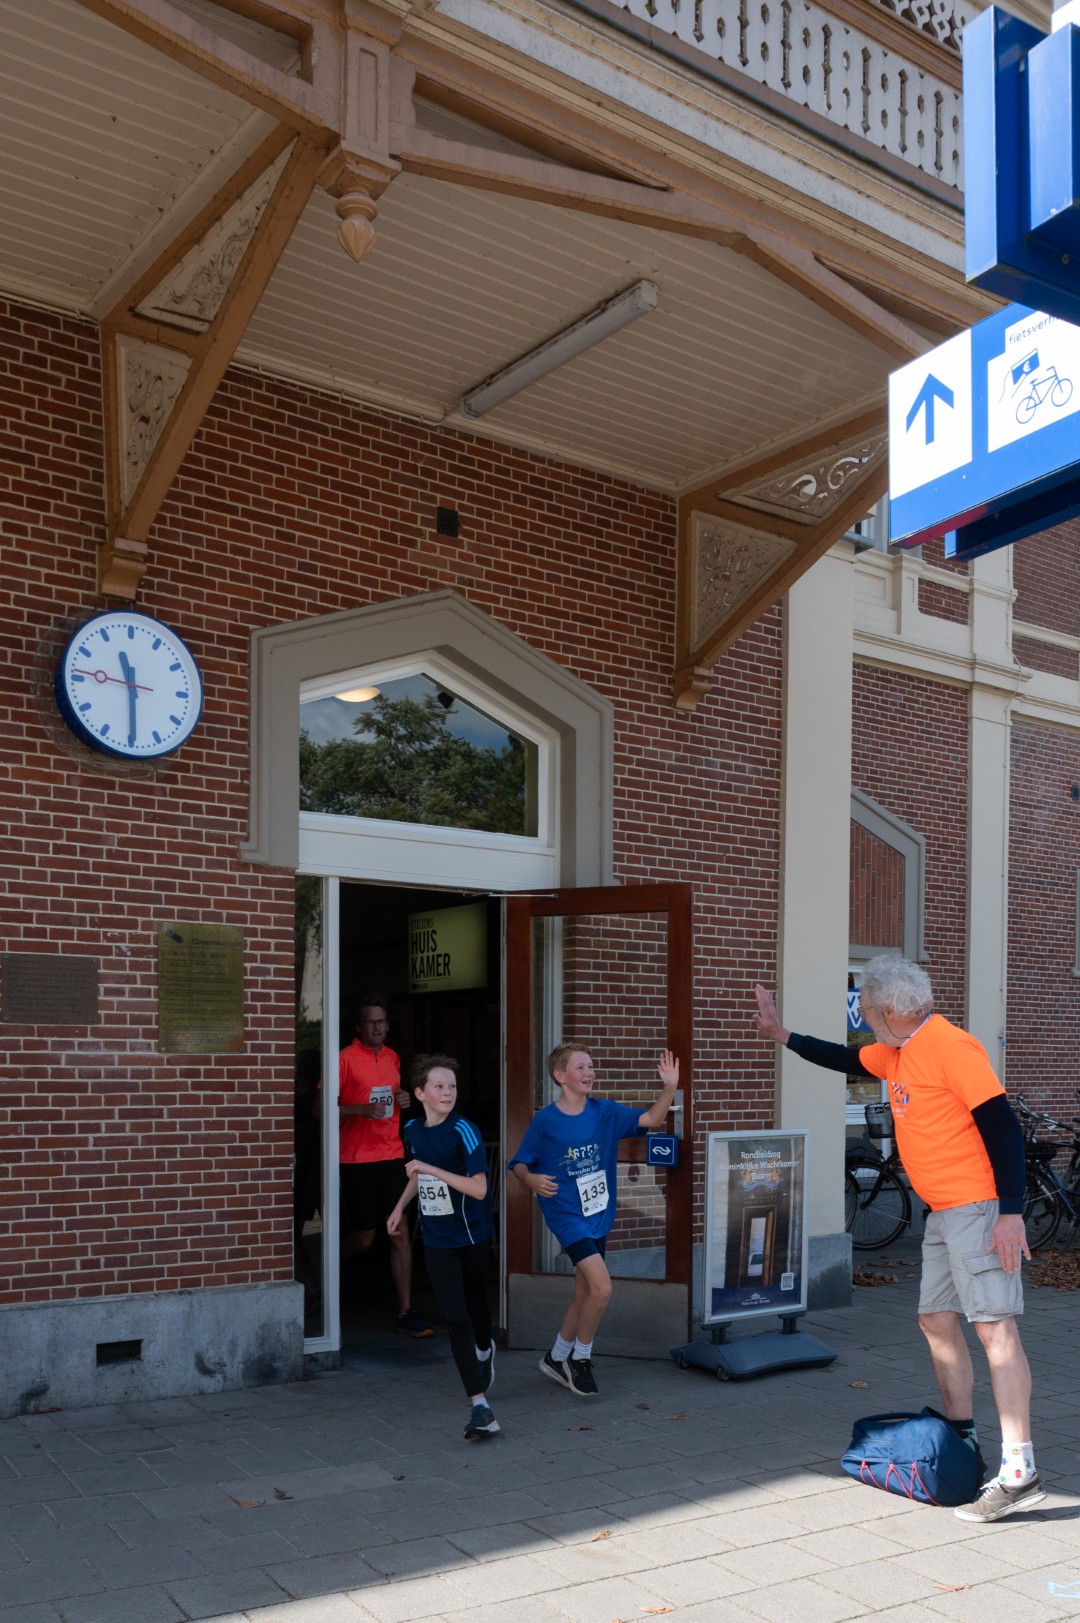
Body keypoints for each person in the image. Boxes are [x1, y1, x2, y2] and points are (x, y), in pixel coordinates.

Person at [753, 955, 1043, 1522]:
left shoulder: (952, 1047)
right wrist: (780, 1033)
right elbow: (841, 1057)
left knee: (995, 1328)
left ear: (889, 1010)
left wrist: (1010, 1213)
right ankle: (961, 1437)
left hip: (979, 1209)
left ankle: (1019, 1470)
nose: (863, 1022)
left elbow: (1003, 1128)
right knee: (935, 1320)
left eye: (864, 1012)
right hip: (942, 1214)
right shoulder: (897, 1051)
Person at [509, 1043, 679, 1398]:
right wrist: (530, 1179)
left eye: (591, 1066)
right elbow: (520, 1163)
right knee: (602, 1288)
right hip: (565, 1214)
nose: (589, 1073)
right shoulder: (546, 1120)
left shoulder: (605, 1112)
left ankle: (556, 1358)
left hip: (598, 1212)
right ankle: (581, 1358)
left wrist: (669, 1088)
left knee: (584, 1292)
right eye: (581, 1067)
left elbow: (652, 1120)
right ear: (560, 1076)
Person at [387, 1054, 498, 1441]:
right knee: (455, 1317)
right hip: (437, 1239)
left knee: (477, 1310)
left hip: (471, 1234)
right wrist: (399, 1208)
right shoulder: (412, 1129)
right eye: (439, 1086)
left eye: (452, 1086)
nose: (448, 1092)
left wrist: (429, 1169)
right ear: (420, 1093)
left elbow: (479, 1188)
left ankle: (485, 1350)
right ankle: (480, 1406)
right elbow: (418, 1175)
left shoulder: (463, 1129)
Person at [319, 993, 430, 1338]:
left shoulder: (393, 1057)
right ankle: (322, 1273)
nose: (378, 1027)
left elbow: (393, 1101)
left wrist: (405, 1099)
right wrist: (358, 1109)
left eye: (382, 1021)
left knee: (399, 1231)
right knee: (365, 1239)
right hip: (355, 1159)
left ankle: (406, 1311)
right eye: (371, 1022)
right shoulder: (343, 1059)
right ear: (359, 1026)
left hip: (392, 1155)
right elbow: (319, 1111)